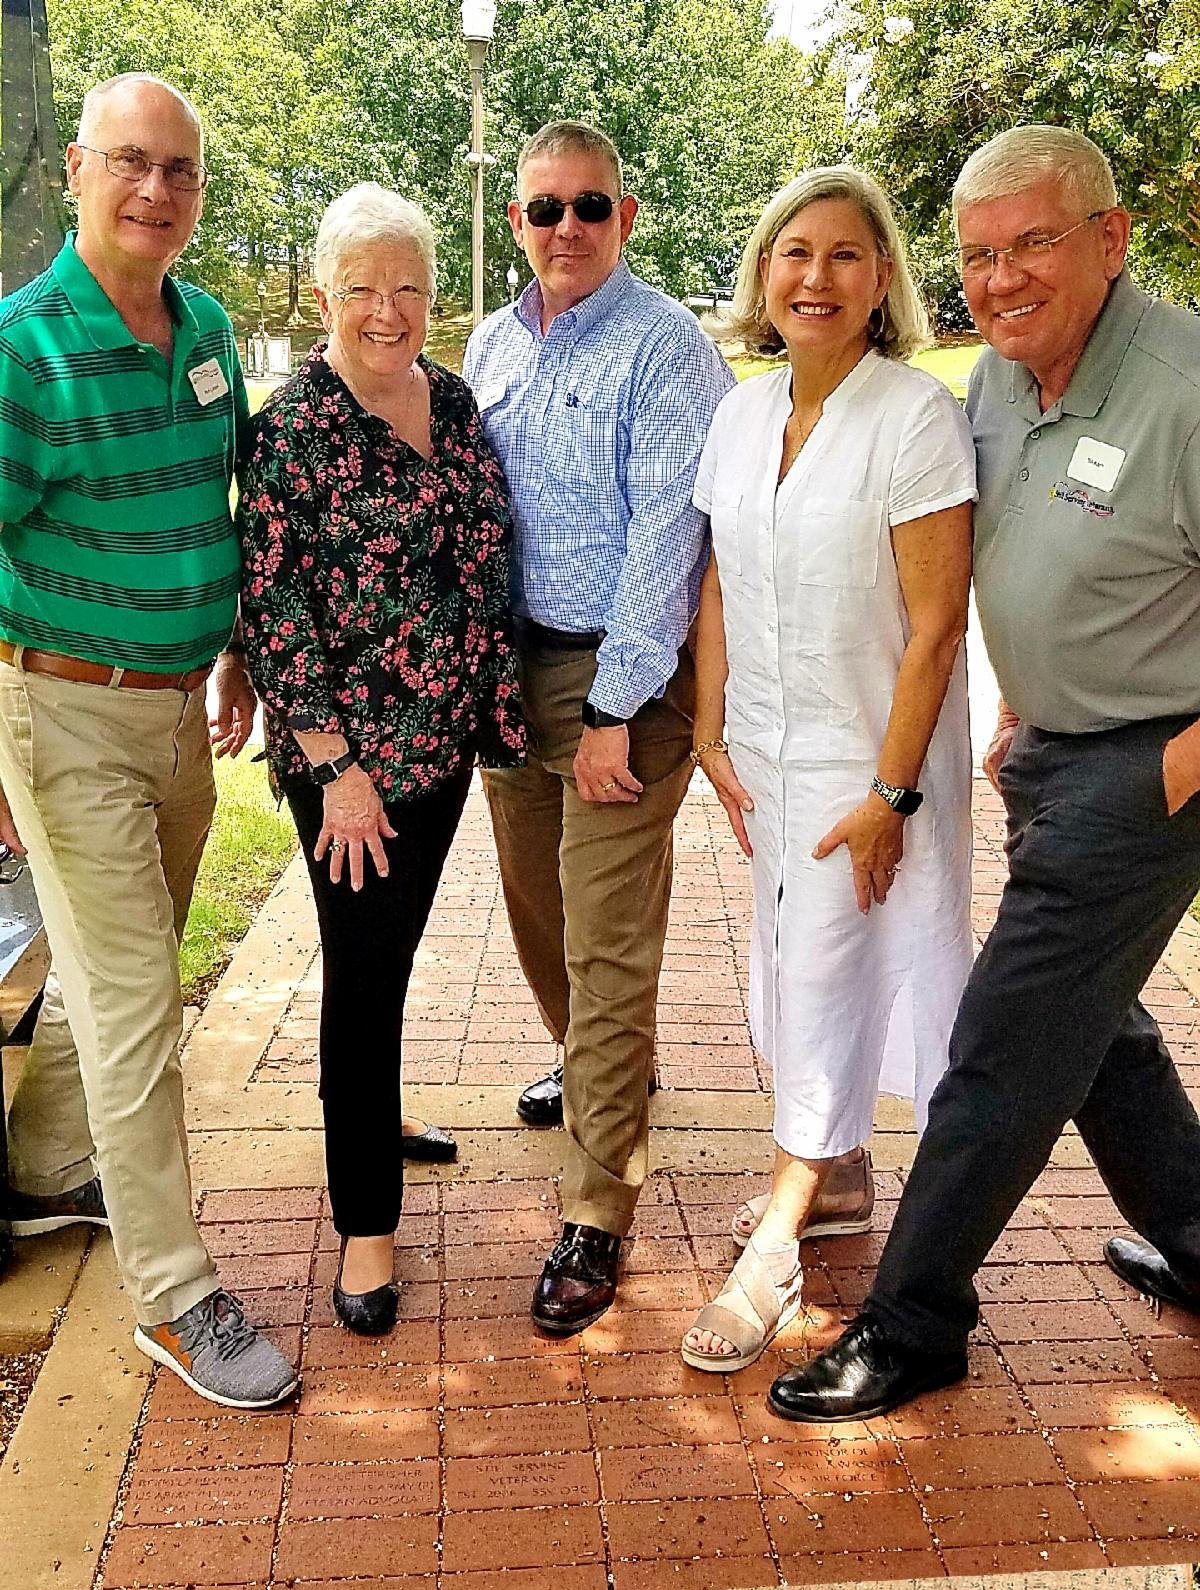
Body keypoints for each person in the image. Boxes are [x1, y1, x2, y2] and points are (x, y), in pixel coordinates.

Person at [771, 125, 1200, 1424]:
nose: (1001, 279)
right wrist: (1033, 696)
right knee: (1094, 1025)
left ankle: (914, 1322)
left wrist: (1173, 767)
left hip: (1153, 770)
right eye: (977, 254)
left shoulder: (1183, 390)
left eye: (1032, 244)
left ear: (1111, 239)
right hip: (1057, 753)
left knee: (1003, 1040)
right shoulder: (1005, 381)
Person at [0, 73, 298, 1410]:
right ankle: (176, 1296)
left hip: (176, 704)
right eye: (130, 161)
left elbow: (218, 501)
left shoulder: (208, 326)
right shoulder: (24, 353)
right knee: (135, 1004)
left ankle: (46, 1169)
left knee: (123, 962)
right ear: (77, 170)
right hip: (61, 708)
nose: (155, 191)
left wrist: (232, 644)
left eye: (179, 169)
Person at [680, 169, 976, 1371]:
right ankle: (841, 1177)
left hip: (871, 762)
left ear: (882, 279)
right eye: (794, 253)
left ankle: (779, 1241)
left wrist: (892, 794)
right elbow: (717, 580)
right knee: (794, 964)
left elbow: (937, 627)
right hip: (767, 753)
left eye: (846, 255)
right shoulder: (742, 416)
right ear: (764, 273)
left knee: (832, 969)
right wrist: (710, 730)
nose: (816, 277)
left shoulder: (915, 417)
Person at [237, 184, 524, 1335]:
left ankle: (376, 1110)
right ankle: (365, 1221)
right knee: (362, 973)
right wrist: (336, 770)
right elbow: (273, 608)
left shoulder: (448, 399)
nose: (387, 308)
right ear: (324, 297)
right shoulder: (292, 431)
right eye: (361, 287)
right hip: (347, 766)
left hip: (440, 745)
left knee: (389, 950)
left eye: (409, 285)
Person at [462, 119, 733, 1336]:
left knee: (607, 933)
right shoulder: (491, 343)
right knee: (538, 908)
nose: (564, 227)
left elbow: (671, 538)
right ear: (518, 220)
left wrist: (617, 706)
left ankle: (598, 1206)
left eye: (588, 206)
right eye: (543, 208)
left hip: (618, 679)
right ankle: (599, 1067)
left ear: (625, 216)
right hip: (510, 673)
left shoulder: (666, 348)